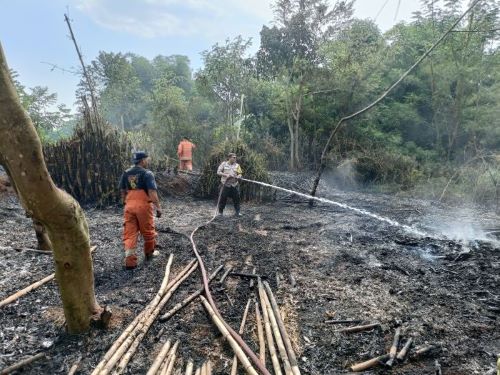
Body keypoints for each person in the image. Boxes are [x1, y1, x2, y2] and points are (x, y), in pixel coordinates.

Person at [119, 151, 162, 270]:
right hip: (143, 206)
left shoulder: (126, 173)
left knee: (130, 232)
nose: (148, 161)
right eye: (147, 159)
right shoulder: (147, 174)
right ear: (143, 160)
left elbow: (122, 190)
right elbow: (152, 192)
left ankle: (130, 261)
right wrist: (158, 207)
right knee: (148, 230)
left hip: (129, 205)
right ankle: (149, 253)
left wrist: (125, 203)